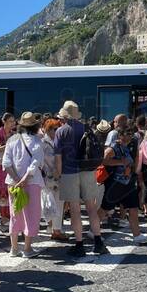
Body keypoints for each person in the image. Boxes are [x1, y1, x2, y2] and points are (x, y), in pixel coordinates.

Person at [54, 101, 107, 257]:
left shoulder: (60, 132)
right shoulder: (86, 128)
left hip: (69, 173)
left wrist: (57, 175)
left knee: (75, 211)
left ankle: (79, 244)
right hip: (87, 171)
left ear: (64, 115)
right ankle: (98, 241)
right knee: (91, 208)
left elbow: (58, 158)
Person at [2, 112, 45, 258]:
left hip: (12, 183)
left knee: (15, 213)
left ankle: (14, 248)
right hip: (32, 183)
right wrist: (24, 180)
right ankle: (27, 249)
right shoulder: (38, 142)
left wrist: (16, 180)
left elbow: (6, 163)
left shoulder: (12, 139)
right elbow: (34, 165)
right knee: (31, 214)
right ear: (35, 126)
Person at [101, 127, 147, 244]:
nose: (130, 136)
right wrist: (120, 162)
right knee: (106, 208)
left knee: (133, 208)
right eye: (127, 133)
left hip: (127, 183)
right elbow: (103, 160)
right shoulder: (114, 147)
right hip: (116, 184)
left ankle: (137, 235)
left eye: (131, 133)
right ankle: (93, 231)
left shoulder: (126, 147)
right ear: (120, 135)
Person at [42, 118, 68, 241]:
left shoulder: (58, 141)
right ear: (49, 129)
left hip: (57, 177)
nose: (58, 131)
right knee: (51, 203)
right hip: (49, 177)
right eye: (55, 129)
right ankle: (54, 229)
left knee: (58, 204)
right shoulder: (43, 143)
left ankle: (55, 229)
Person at [0, 113, 16, 225]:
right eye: (11, 121)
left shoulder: (13, 134)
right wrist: (7, 144)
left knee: (10, 191)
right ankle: (4, 218)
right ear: (4, 121)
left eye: (13, 121)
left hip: (10, 164)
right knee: (2, 192)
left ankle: (11, 216)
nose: (13, 123)